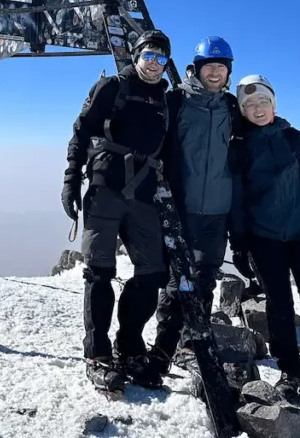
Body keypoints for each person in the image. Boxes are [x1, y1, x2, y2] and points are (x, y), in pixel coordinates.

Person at [63, 29, 173, 393]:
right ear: (136, 56)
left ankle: (128, 345)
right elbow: (81, 131)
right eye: (149, 55)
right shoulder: (112, 87)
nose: (154, 63)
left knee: (153, 273)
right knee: (99, 272)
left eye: (161, 58)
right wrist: (70, 179)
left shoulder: (166, 101)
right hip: (104, 190)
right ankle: (97, 353)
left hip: (142, 196)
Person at [231, 74, 300, 402]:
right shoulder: (239, 148)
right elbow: (236, 200)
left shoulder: (296, 140)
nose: (257, 108)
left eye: (263, 101)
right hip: (263, 240)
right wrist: (238, 243)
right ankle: (290, 374)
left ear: (274, 104)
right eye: (249, 105)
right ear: (242, 110)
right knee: (279, 310)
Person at [148, 36, 252, 379]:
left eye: (221, 68)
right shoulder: (176, 101)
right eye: (210, 66)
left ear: (228, 72)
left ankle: (192, 344)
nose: (215, 73)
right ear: (197, 69)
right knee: (179, 280)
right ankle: (163, 348)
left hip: (218, 210)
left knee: (205, 278)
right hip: (182, 206)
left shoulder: (232, 110)